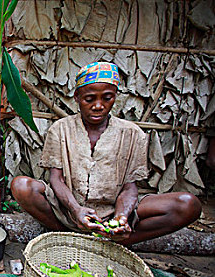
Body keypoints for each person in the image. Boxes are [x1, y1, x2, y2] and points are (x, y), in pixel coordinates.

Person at [11, 62, 202, 245]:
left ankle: (114, 238)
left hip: (113, 209)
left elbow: (129, 188)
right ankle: (68, 236)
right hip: (68, 210)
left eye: (107, 98)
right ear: (77, 97)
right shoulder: (60, 129)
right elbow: (56, 179)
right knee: (21, 186)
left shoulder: (133, 134)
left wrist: (121, 217)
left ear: (115, 96)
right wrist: (76, 209)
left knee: (188, 205)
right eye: (89, 99)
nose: (98, 106)